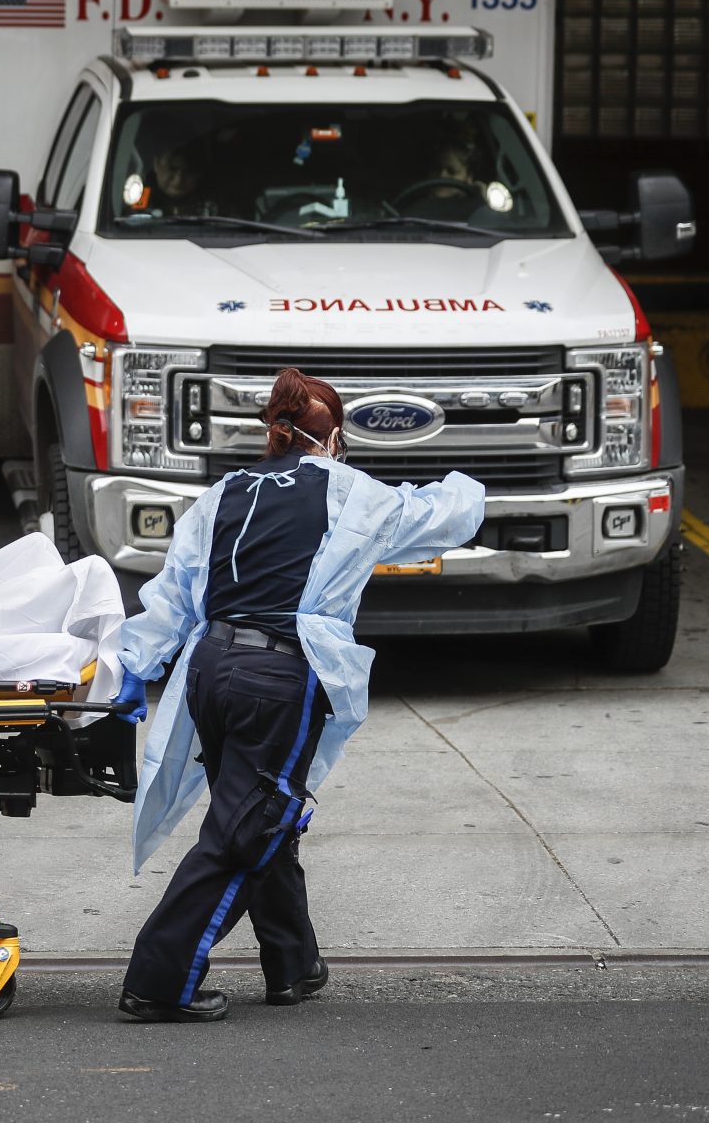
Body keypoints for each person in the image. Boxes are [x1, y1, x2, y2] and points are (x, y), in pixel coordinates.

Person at [110, 368, 484, 1022]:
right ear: (332, 437)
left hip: (212, 670)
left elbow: (173, 591)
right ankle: (157, 980)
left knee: (263, 812)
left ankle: (293, 965)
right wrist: (467, 478)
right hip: (276, 677)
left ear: (273, 433)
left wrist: (133, 668)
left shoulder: (224, 493)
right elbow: (444, 517)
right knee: (246, 825)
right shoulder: (346, 493)